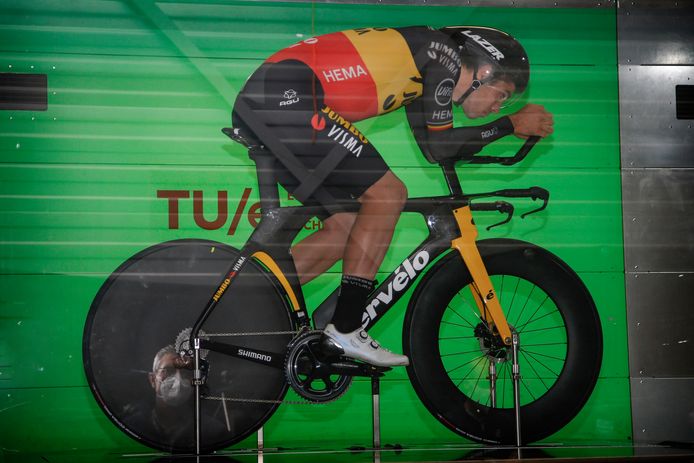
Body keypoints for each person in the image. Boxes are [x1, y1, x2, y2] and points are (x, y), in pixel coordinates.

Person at [231, 26, 554, 367]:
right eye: (501, 94)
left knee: (348, 226)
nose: (496, 106)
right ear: (484, 71)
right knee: (388, 194)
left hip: (270, 100)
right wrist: (509, 125)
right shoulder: (442, 54)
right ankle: (346, 327)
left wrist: (502, 128)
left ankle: (245, 304)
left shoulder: (425, 66)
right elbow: (443, 145)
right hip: (288, 96)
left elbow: (433, 149)